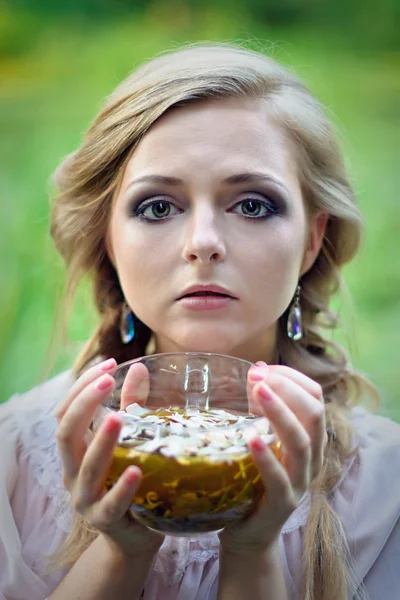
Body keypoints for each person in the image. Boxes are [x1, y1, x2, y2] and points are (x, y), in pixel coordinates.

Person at [0, 43, 399, 600]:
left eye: (252, 205)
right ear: (108, 239)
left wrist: (253, 552)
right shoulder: (14, 461)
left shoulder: (387, 492)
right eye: (158, 206)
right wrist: (120, 550)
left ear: (311, 240)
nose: (203, 244)